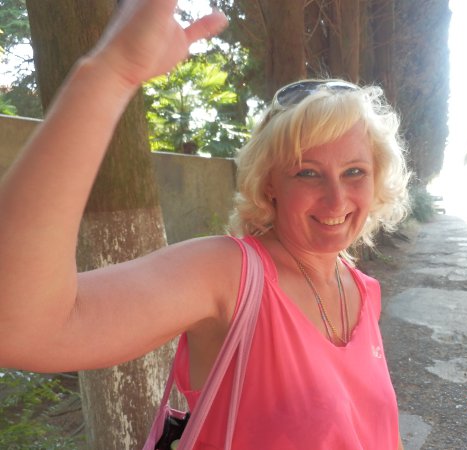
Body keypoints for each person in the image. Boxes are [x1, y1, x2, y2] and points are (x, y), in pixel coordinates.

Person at [0, 0, 410, 448]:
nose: (337, 198)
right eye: (307, 172)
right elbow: (24, 328)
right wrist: (111, 74)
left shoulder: (363, 291)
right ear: (270, 183)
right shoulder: (229, 275)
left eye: (354, 172)